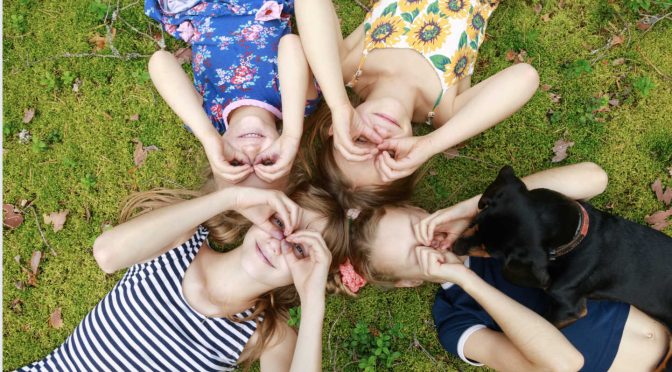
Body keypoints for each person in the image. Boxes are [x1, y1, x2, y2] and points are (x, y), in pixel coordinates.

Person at [334, 163, 669, 371]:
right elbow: (564, 365)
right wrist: (464, 278)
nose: (431, 242)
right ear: (407, 283)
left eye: (418, 229)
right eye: (414, 254)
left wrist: (469, 209)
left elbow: (592, 177)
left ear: (421, 210)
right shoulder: (454, 318)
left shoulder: (504, 224)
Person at [18, 181, 346, 371]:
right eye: (279, 222)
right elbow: (107, 254)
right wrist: (231, 198)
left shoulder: (270, 336)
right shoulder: (181, 242)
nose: (280, 244)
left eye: (301, 250)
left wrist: (313, 300)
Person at [294, 0, 539, 207]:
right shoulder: (445, 113)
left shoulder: (348, 69)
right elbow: (525, 78)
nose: (379, 135)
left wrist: (338, 104)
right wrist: (431, 144)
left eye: (361, 139)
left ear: (335, 130)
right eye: (390, 153)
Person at [146, 0, 321, 190]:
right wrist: (291, 135)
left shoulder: (210, 119)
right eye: (267, 161)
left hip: (201, 8)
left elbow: (160, 62)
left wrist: (208, 138)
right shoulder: (295, 105)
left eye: (237, 162)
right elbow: (291, 44)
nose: (251, 150)